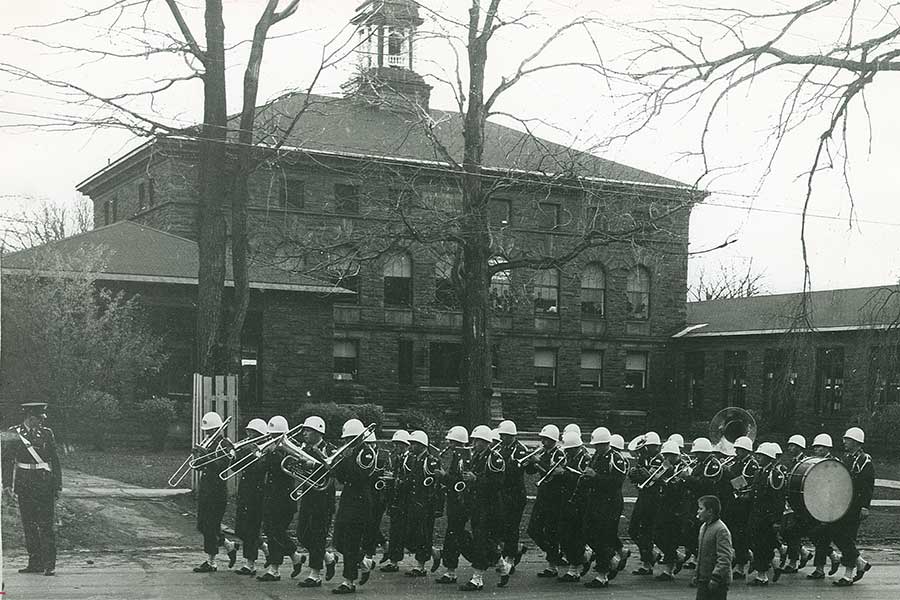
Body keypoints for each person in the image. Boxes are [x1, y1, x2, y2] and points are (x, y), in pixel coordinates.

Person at [2, 402, 62, 576]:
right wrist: (7, 485)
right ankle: (34, 562)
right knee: (29, 524)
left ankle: (49, 564)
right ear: (30, 417)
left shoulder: (47, 433)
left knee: (46, 524)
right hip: (24, 484)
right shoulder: (14, 433)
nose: (43, 420)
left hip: (45, 483)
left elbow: (55, 460)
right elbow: (7, 460)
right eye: (40, 417)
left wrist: (57, 485)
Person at [331, 419, 378, 594]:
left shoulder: (367, 453)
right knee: (339, 542)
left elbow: (361, 477)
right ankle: (364, 562)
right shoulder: (350, 453)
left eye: (349, 438)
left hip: (360, 503)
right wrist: (337, 464)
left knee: (350, 542)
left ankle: (348, 581)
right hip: (347, 501)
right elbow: (343, 479)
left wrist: (347, 459)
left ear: (357, 438)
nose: (345, 442)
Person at [256, 415, 305, 582]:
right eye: (270, 435)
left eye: (276, 435)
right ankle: (291, 558)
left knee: (275, 531)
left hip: (284, 499)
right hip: (271, 497)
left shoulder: (292, 449)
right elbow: (262, 469)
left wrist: (271, 455)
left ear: (284, 434)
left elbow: (282, 469)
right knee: (271, 531)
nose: (272, 439)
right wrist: (263, 456)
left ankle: (278, 567)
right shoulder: (272, 450)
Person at [458, 425, 505, 591]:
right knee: (484, 540)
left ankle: (477, 578)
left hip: (490, 506)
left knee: (480, 540)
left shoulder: (495, 458)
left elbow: (498, 483)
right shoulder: (476, 457)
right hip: (477, 505)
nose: (474, 443)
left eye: (477, 440)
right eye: (474, 440)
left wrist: (476, 479)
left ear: (486, 442)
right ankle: (502, 564)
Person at [581, 426, 628, 588]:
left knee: (603, 536)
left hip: (610, 503)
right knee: (588, 533)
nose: (596, 448)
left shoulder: (615, 458)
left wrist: (596, 477)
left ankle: (602, 575)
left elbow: (616, 482)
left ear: (606, 443)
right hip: (595, 501)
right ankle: (610, 558)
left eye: (599, 445)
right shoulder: (596, 456)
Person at [192, 411, 238, 573]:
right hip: (205, 489)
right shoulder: (208, 444)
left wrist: (205, 456)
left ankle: (211, 562)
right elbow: (197, 467)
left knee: (211, 526)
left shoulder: (225, 444)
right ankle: (229, 546)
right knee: (203, 525)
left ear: (219, 429)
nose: (207, 434)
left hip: (217, 490)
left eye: (211, 431)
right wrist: (197, 456)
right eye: (206, 431)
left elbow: (222, 466)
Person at [295, 415, 338, 587]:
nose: (304, 433)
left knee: (317, 534)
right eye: (305, 430)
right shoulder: (303, 449)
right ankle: (328, 557)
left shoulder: (331, 450)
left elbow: (333, 470)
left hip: (323, 497)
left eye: (308, 430)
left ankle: (315, 574)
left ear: (318, 432)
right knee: (302, 534)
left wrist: (312, 465)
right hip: (308, 495)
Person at [831, 427, 875, 586]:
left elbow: (868, 485)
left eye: (847, 439)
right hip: (843, 504)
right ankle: (860, 562)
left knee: (847, 537)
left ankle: (848, 575)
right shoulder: (847, 458)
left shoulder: (864, 460)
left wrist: (865, 506)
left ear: (856, 442)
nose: (844, 442)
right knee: (838, 534)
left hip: (855, 506)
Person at [525, 424, 565, 578]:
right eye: (542, 438)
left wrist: (538, 462)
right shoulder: (543, 453)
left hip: (555, 497)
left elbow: (552, 473)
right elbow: (530, 472)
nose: (543, 441)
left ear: (553, 440)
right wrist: (530, 462)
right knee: (533, 529)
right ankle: (555, 556)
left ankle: (552, 564)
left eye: (546, 439)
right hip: (542, 496)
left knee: (551, 531)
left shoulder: (559, 454)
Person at [435, 425, 473, 584]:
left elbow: (461, 482)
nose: (449, 445)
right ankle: (489, 557)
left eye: (451, 442)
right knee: (455, 535)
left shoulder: (463, 458)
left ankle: (451, 571)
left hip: (460, 502)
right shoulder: (458, 456)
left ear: (457, 442)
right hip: (454, 502)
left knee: (453, 536)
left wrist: (444, 477)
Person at [232, 418, 270, 575]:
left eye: (252, 433)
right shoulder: (247, 449)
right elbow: (235, 468)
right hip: (245, 492)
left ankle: (250, 564)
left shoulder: (264, 450)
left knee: (251, 528)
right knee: (240, 529)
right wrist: (235, 454)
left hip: (257, 493)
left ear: (260, 435)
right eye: (248, 432)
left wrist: (250, 453)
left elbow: (261, 467)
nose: (248, 436)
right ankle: (263, 546)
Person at [402, 430, 442, 577]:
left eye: (413, 444)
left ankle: (421, 565)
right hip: (414, 502)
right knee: (412, 534)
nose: (411, 447)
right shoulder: (415, 459)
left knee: (423, 533)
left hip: (425, 504)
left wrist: (429, 503)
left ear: (421, 445)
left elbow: (433, 484)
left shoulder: (430, 460)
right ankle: (432, 551)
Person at [495, 419, 529, 584]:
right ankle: (514, 550)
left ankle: (510, 558)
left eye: (505, 436)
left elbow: (521, 470)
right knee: (501, 524)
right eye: (501, 435)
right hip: (502, 492)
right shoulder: (500, 447)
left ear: (512, 435)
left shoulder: (520, 449)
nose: (502, 438)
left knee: (512, 526)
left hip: (515, 493)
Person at [628, 431, 663, 575]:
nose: (645, 450)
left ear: (657, 447)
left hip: (655, 499)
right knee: (633, 529)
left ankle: (647, 562)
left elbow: (652, 478)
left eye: (649, 446)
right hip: (643, 497)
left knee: (647, 531)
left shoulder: (660, 460)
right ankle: (650, 555)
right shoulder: (644, 459)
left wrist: (639, 473)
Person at [380, 429, 411, 572]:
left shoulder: (410, 459)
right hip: (396, 499)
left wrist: (396, 479)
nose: (396, 447)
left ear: (405, 445)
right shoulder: (398, 458)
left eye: (399, 444)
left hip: (406, 500)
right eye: (395, 444)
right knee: (395, 531)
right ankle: (394, 561)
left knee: (405, 531)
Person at [693, 495, 734, 600]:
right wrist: (697, 574)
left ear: (710, 511)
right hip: (704, 578)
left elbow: (725, 557)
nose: (698, 511)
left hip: (717, 581)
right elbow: (701, 554)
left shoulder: (721, 530)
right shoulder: (703, 527)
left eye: (701, 508)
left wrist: (716, 577)